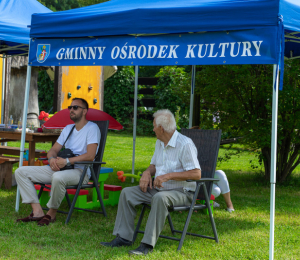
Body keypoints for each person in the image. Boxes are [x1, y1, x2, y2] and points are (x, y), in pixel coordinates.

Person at [100, 109, 201, 256]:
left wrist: (168, 176)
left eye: (154, 126)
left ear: (161, 128)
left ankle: (146, 244)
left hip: (182, 193)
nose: (153, 129)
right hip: (158, 189)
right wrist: (147, 173)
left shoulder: (185, 144)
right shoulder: (160, 143)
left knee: (160, 198)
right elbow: (153, 165)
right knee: (127, 193)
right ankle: (124, 238)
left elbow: (196, 174)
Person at [15, 98, 100, 226]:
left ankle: (51, 213)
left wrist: (66, 161)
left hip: (80, 171)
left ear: (84, 111)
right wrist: (52, 160)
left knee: (58, 177)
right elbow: (53, 150)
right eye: (70, 107)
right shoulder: (68, 128)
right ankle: (37, 211)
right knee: (20, 171)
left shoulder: (92, 128)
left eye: (75, 107)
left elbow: (90, 155)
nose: (71, 110)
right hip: (61, 168)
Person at [190, 126, 234, 212]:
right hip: (191, 182)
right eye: (196, 136)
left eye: (201, 137)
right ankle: (204, 201)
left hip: (204, 177)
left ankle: (230, 205)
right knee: (216, 191)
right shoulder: (185, 149)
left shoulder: (206, 150)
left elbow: (211, 168)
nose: (200, 139)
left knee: (220, 173)